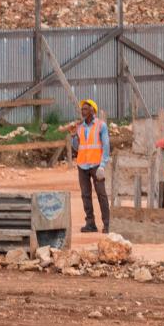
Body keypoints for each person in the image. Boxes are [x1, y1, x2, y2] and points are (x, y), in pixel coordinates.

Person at [72, 98, 111, 234]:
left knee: (101, 194)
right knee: (85, 195)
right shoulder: (80, 127)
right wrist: (73, 136)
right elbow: (77, 147)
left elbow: (106, 145)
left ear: (92, 111)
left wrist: (103, 165)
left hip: (96, 165)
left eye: (85, 109)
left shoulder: (101, 125)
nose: (83, 111)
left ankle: (107, 224)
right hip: (82, 165)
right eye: (82, 109)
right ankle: (90, 223)